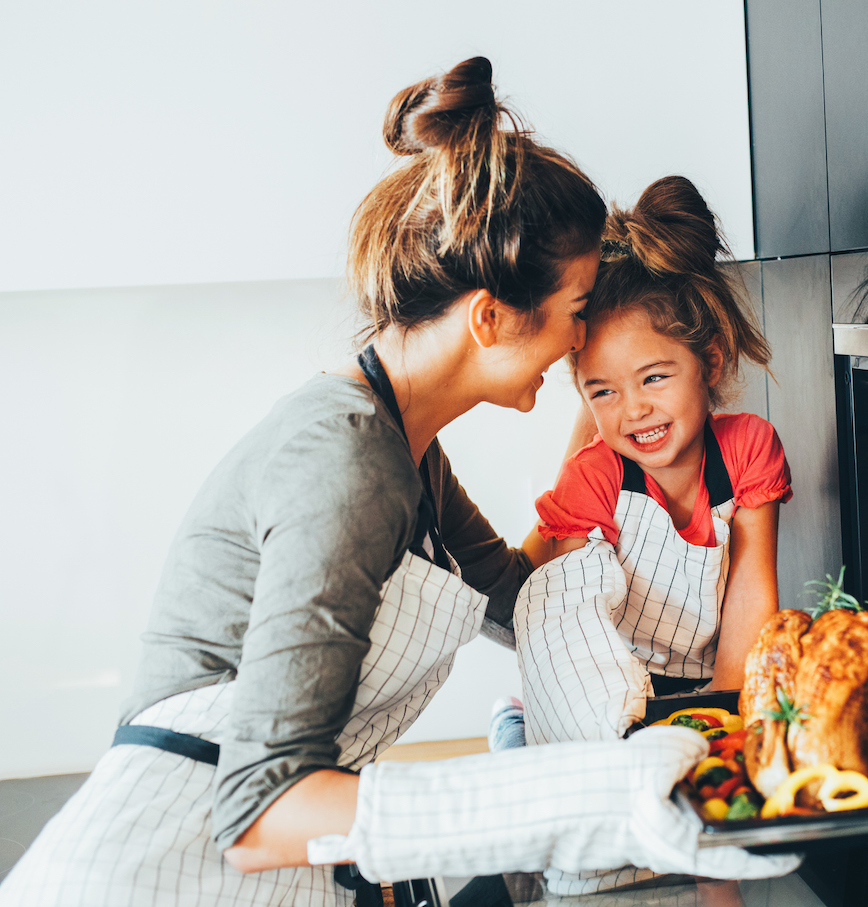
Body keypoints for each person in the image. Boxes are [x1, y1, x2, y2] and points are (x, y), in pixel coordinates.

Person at [0, 58, 793, 905]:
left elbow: (533, 597)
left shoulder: (403, 447)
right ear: (490, 317)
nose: (577, 348)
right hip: (164, 871)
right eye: (575, 312)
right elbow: (262, 809)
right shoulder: (343, 461)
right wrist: (593, 788)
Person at [513, 176, 788, 749]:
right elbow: (574, 627)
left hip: (701, 690)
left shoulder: (748, 450)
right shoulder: (595, 477)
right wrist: (631, 734)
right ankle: (511, 724)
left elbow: (750, 593)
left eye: (654, 378)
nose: (634, 410)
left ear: (709, 362)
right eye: (604, 392)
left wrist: (723, 712)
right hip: (603, 699)